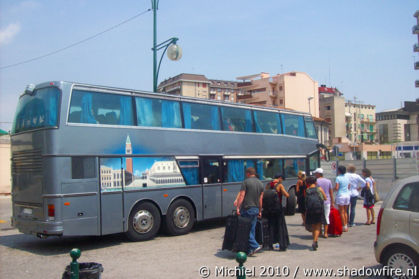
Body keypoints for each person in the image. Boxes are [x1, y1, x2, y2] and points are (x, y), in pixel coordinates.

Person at [235, 167, 264, 255]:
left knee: (245, 230)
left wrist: (238, 207)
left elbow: (242, 196)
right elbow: (260, 199)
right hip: (255, 209)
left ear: (248, 173)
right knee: (252, 229)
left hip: (247, 209)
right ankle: (250, 250)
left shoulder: (246, 182)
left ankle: (255, 245)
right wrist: (260, 210)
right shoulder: (260, 183)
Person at [264, 174, 290, 251]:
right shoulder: (279, 185)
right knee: (280, 226)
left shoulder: (268, 184)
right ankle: (281, 244)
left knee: (270, 226)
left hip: (269, 209)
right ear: (280, 178)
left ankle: (270, 245)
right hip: (277, 208)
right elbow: (287, 195)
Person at [305, 176, 327, 251]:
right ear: (315, 182)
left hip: (310, 210)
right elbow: (325, 198)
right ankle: (315, 241)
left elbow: (306, 200)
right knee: (318, 226)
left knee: (313, 226)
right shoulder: (319, 189)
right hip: (319, 209)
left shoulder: (307, 190)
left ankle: (314, 239)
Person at [313, 168, 334, 238]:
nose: (315, 175)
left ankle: (320, 232)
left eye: (315, 173)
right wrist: (332, 202)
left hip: (318, 201)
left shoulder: (315, 181)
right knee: (326, 217)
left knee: (318, 217)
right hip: (327, 201)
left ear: (318, 174)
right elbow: (331, 193)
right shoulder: (328, 181)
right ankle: (326, 233)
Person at [335, 166, 350, 232]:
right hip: (347, 195)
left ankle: (343, 226)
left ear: (339, 171)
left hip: (341, 195)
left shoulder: (338, 178)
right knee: (345, 211)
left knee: (341, 211)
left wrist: (332, 190)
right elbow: (349, 186)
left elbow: (337, 187)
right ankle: (346, 225)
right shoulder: (347, 177)